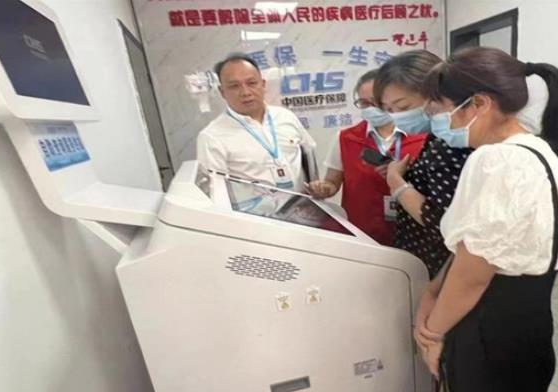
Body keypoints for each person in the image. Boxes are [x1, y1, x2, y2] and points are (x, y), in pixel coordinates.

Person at [403, 47, 558, 392]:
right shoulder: (537, 151)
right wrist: (432, 292)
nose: (440, 121)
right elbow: (477, 246)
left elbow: (474, 273)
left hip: (488, 327)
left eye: (441, 109)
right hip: (528, 322)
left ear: (479, 104)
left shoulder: (497, 159)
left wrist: (432, 332)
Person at [374, 50, 473, 278]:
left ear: (434, 95)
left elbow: (441, 221)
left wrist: (397, 183)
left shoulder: (449, 144)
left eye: (403, 107)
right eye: (389, 110)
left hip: (441, 264)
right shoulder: (439, 136)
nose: (396, 116)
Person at [306, 69, 426, 245]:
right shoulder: (346, 138)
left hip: (414, 234)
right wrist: (323, 189)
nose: (370, 108)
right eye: (364, 103)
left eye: (375, 102)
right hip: (362, 236)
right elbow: (332, 182)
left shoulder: (422, 135)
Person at [197, 53, 316, 192]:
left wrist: (316, 187)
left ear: (263, 84)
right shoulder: (211, 137)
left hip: (301, 203)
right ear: (222, 92)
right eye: (234, 86)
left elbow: (308, 153)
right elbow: (215, 191)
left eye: (252, 83)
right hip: (252, 207)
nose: (245, 92)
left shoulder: (285, 116)